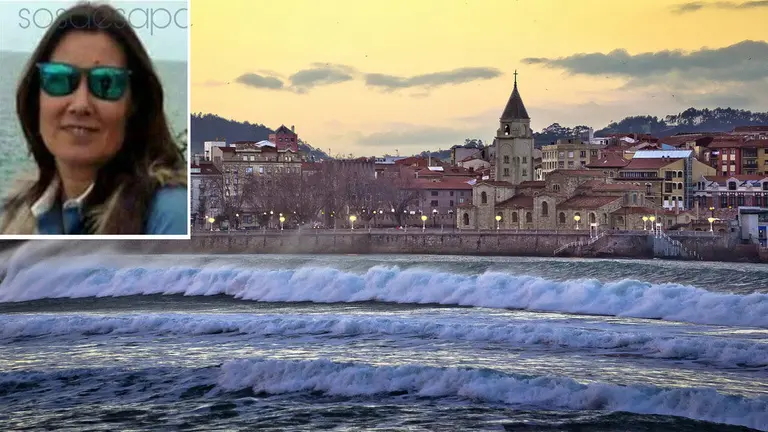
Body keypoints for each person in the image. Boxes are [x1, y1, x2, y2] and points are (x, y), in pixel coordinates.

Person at [0, 2, 187, 235]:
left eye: (106, 83)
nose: (80, 105)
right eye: (59, 79)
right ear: (36, 97)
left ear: (134, 105)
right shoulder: (14, 219)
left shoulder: (172, 216)